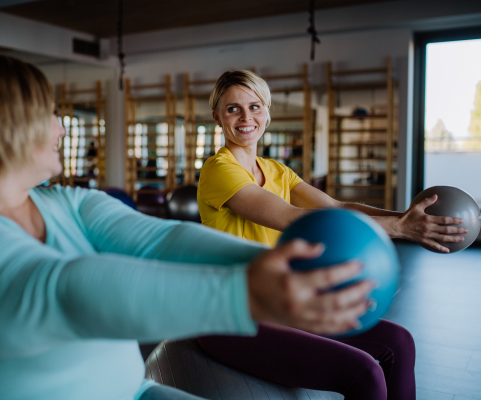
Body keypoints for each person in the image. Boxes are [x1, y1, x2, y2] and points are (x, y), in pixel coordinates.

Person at [0, 56, 374, 400]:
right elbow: (63, 292)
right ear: (6, 125)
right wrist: (245, 295)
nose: (62, 129)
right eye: (49, 114)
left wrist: (283, 268)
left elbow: (161, 237)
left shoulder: (65, 202)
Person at [196, 70, 467, 400]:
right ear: (217, 117)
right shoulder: (219, 169)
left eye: (254, 106)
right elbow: (292, 218)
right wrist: (400, 228)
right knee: (364, 372)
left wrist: (408, 220)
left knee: (399, 344)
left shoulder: (276, 170)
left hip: (281, 303)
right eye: (233, 109)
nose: (246, 117)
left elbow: (336, 207)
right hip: (234, 316)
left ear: (267, 111)